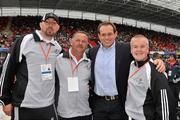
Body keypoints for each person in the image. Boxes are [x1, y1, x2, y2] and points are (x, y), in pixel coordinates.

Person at [88, 21, 165, 120]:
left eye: (110, 34)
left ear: (116, 34)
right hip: (98, 103)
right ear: (98, 35)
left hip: (119, 103)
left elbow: (141, 54)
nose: (107, 37)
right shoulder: (92, 51)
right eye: (103, 34)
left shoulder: (126, 48)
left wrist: (157, 61)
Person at [0, 12, 62, 120]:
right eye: (47, 22)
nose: (50, 25)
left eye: (54, 23)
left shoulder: (57, 48)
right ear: (41, 24)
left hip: (48, 105)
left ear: (58, 27)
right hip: (25, 104)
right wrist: (5, 100)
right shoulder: (25, 40)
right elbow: (7, 68)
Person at [125, 34, 176, 120]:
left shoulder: (156, 71)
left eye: (142, 46)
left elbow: (165, 106)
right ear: (131, 50)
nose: (139, 50)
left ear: (148, 49)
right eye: (135, 47)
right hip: (130, 116)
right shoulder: (130, 65)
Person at [55, 31, 92, 120]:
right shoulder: (58, 60)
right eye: (77, 40)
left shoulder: (90, 62)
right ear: (71, 41)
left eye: (84, 41)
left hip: (85, 112)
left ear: (87, 44)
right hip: (65, 113)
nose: (80, 43)